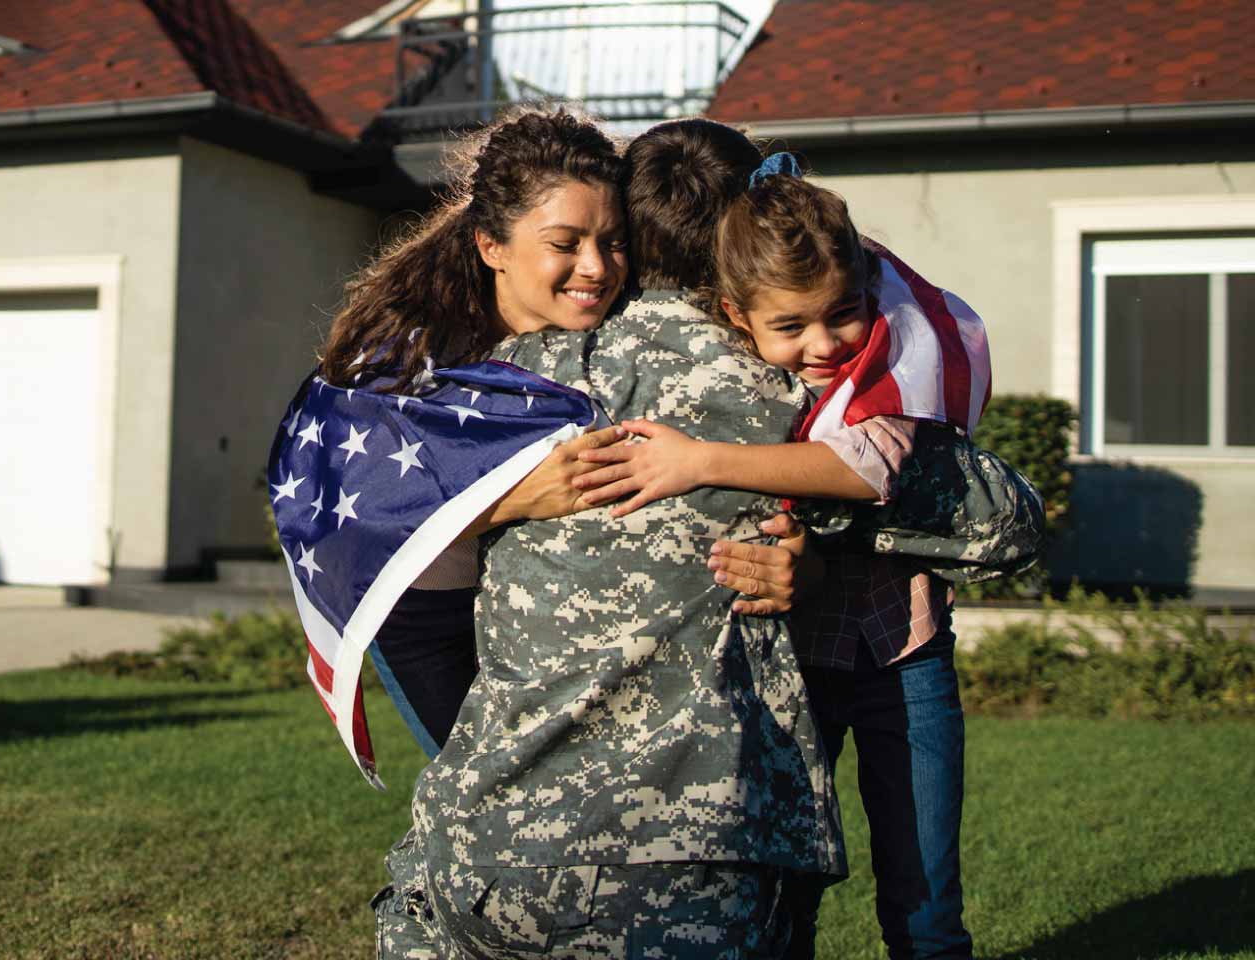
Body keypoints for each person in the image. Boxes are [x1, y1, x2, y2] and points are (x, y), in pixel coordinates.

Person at [372, 118, 1044, 958]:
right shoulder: (795, 386)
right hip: (694, 878)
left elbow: (361, 538)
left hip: (473, 869)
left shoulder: (494, 388)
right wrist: (823, 508)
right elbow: (1005, 523)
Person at [570, 163, 994, 959]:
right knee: (784, 894)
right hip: (792, 667)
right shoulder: (735, 383)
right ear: (738, 317)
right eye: (792, 326)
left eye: (843, 315)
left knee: (926, 896)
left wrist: (700, 462)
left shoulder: (888, 375)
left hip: (903, 654)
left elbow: (865, 467)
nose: (825, 344)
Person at [313, 109, 813, 758]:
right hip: (428, 617)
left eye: (612, 241)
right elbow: (347, 513)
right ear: (492, 246)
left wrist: (790, 553)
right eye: (564, 243)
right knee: (484, 812)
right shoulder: (429, 350)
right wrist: (518, 498)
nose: (596, 268)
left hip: (547, 621)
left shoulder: (628, 330)